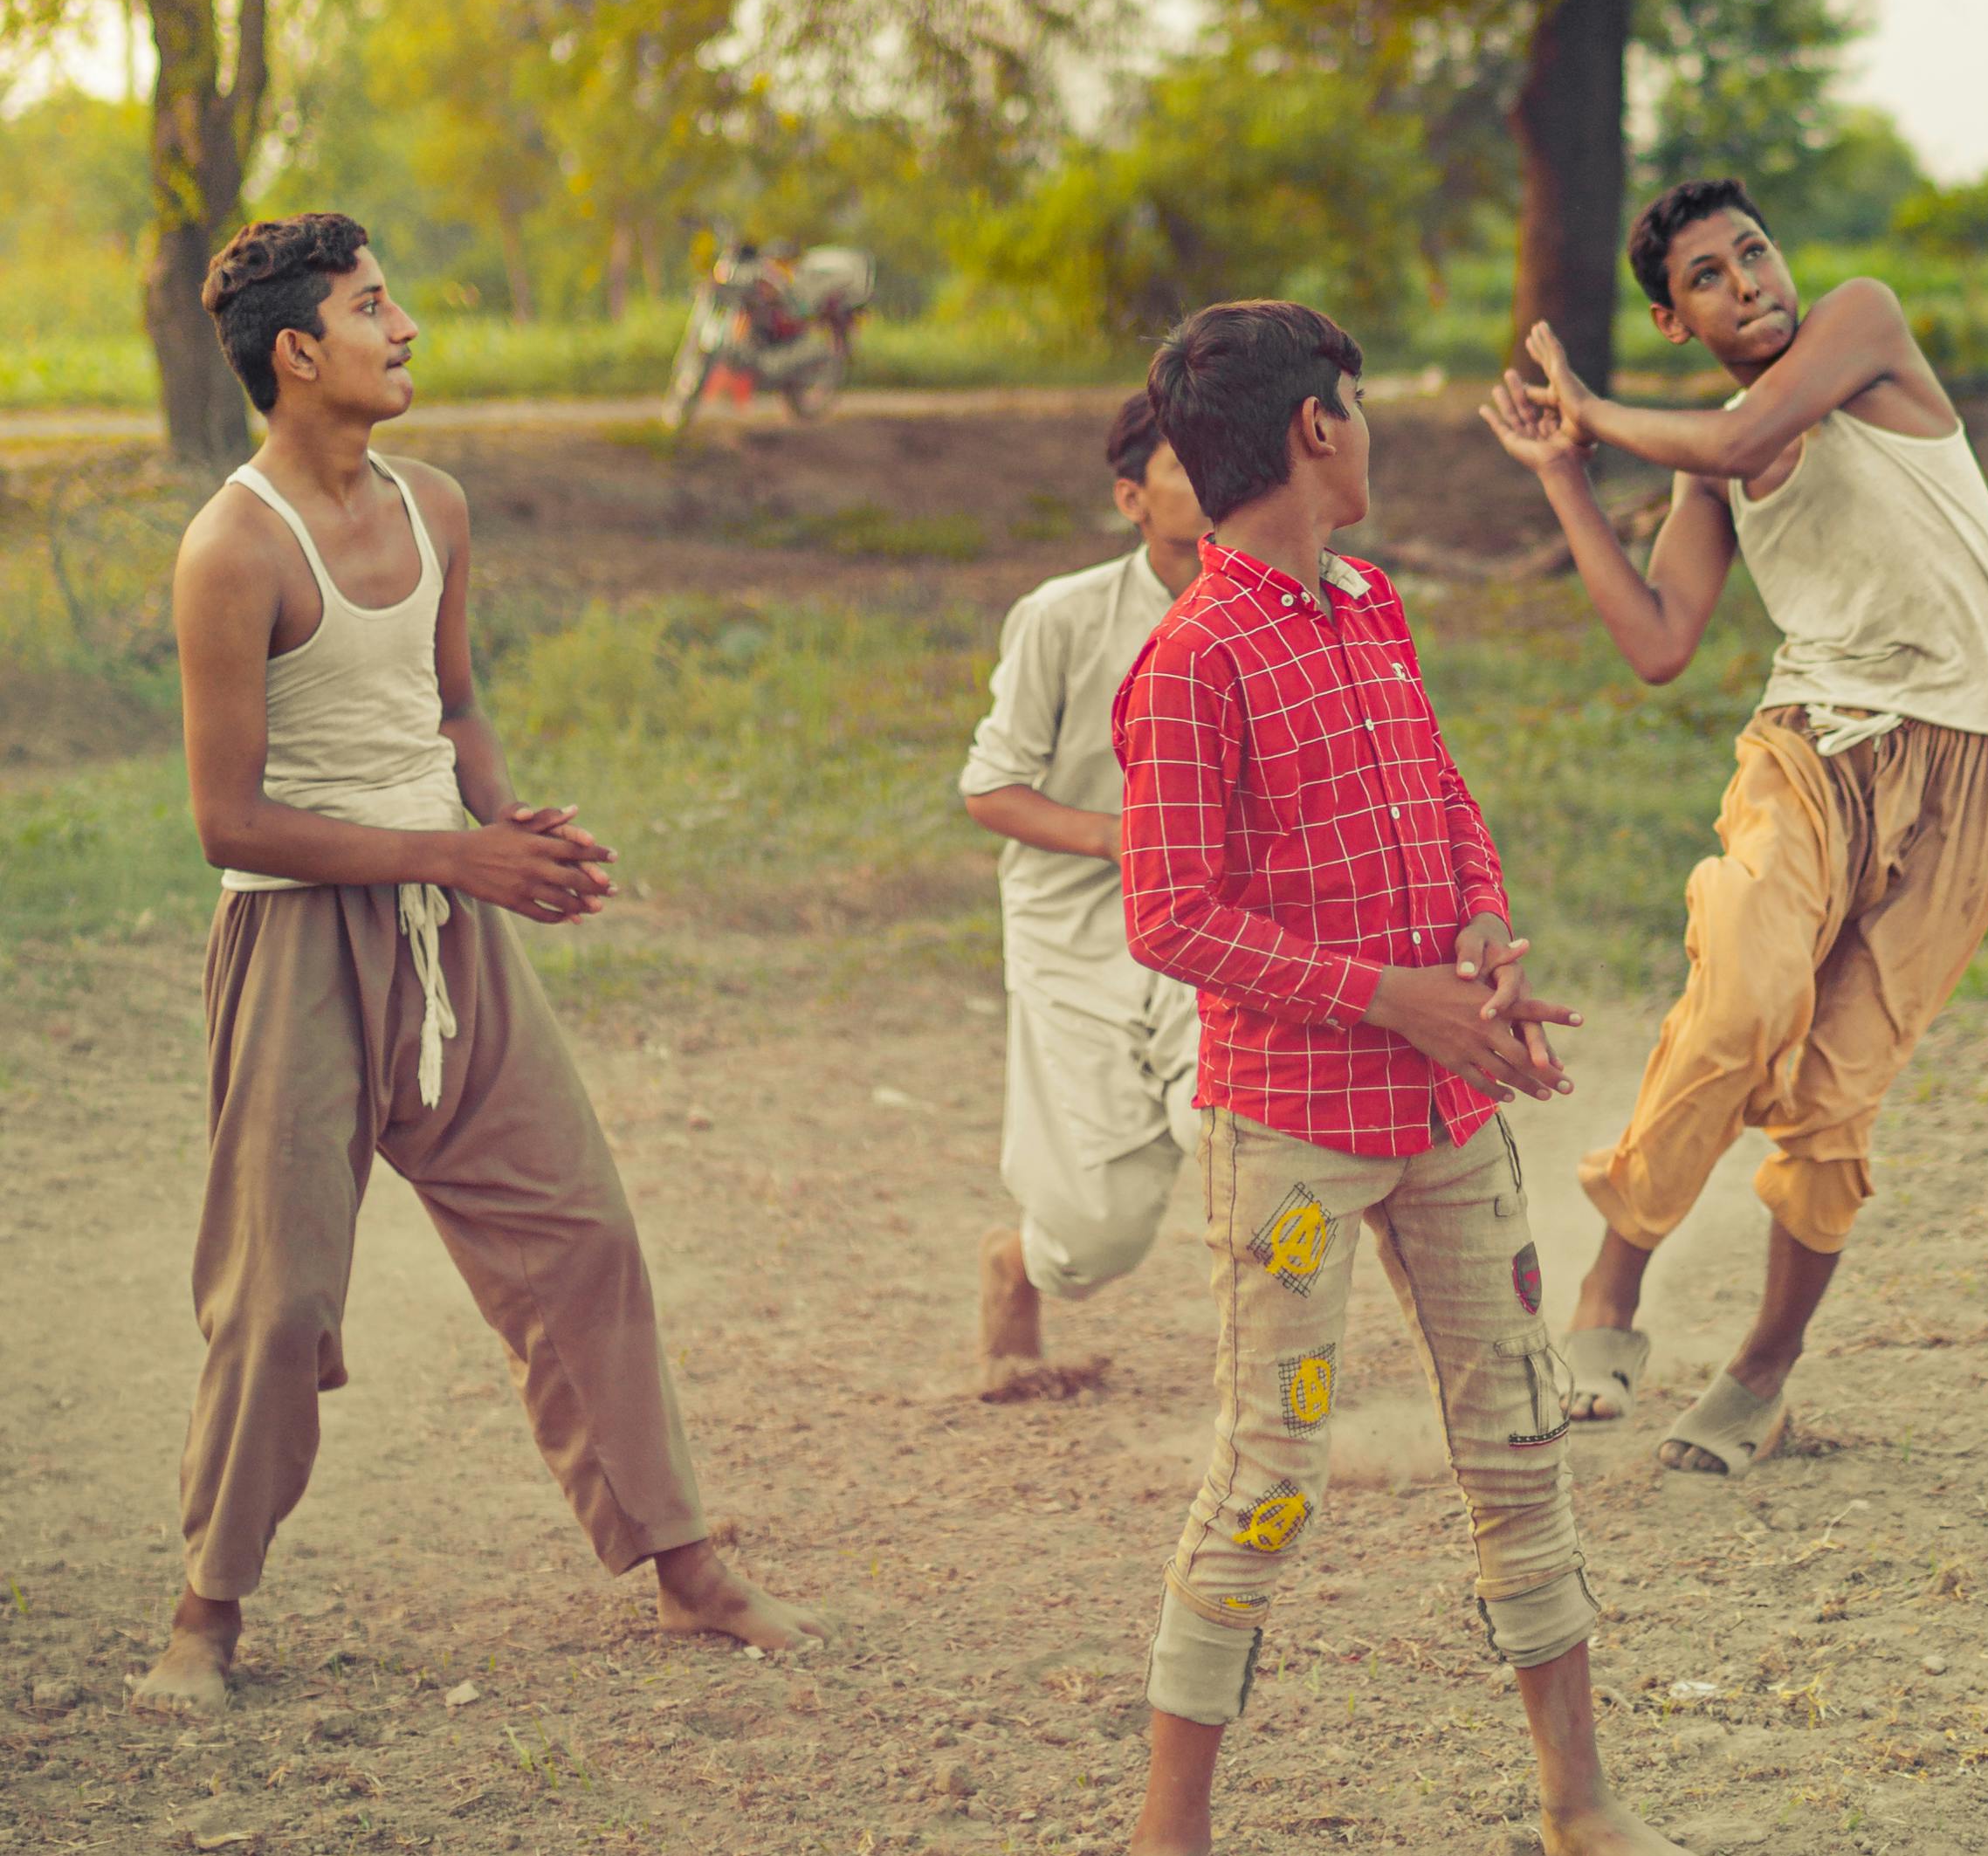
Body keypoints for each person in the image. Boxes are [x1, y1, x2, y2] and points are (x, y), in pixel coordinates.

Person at [131, 214, 812, 1714]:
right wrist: (457, 852)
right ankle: (207, 1607)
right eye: (376, 306)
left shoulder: (434, 505)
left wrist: (511, 824)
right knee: (278, 1298)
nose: (408, 327)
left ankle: (680, 1554)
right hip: (298, 946)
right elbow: (225, 819)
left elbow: (448, 709)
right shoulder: (233, 547)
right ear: (299, 351)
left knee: (582, 1233)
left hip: (452, 938)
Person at [1101, 299, 1713, 1856]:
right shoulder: (1192, 655)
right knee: (1267, 1468)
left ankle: (1575, 1799)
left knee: (1516, 1433)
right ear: (1316, 429)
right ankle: (1165, 1841)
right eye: (1357, 404)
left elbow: (1435, 797)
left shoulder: (1369, 607)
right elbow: (1168, 915)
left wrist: (1481, 943)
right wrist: (1390, 994)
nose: (1367, 428)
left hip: (1444, 1113)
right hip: (1288, 1130)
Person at [1480, 178, 1988, 1479]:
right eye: (1712, 279)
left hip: (1970, 763)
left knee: (1834, 1093)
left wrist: (1597, 410)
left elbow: (1737, 445)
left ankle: (1761, 1370)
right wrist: (1565, 467)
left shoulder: (1862, 325)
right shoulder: (1713, 458)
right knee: (1738, 985)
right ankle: (1612, 1282)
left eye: (1754, 252)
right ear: (1676, 320)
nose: (1751, 283)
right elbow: (1660, 642)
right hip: (1810, 748)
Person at [959, 395, 1209, 1398]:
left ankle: (1277, 1389)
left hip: (1219, 923)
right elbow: (988, 787)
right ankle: (1014, 1264)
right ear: (1130, 499)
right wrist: (1124, 840)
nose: (1218, 482)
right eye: (1187, 467)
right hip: (1075, 923)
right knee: (1096, 1233)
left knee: (1237, 1132)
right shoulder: (1062, 617)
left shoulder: (1287, 611)